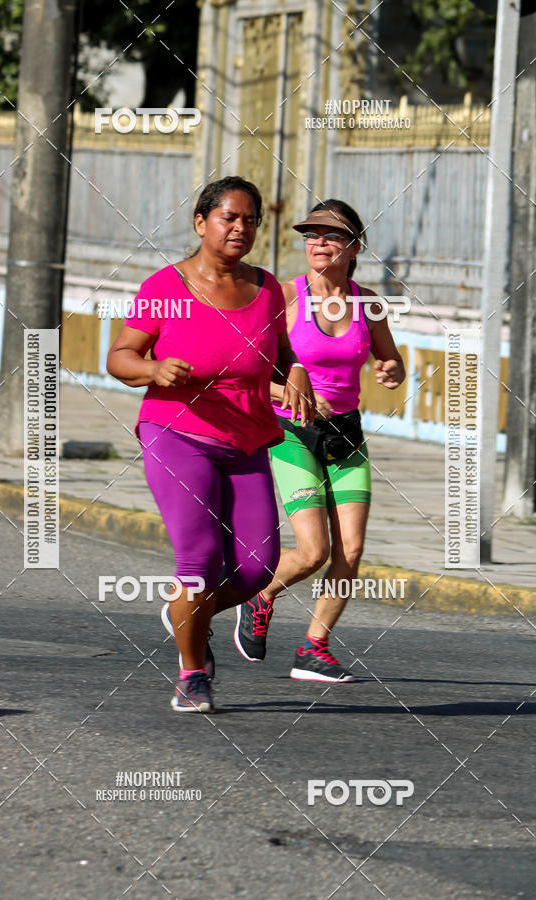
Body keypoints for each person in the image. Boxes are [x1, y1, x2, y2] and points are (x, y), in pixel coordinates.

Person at [107, 176, 315, 712]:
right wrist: (152, 366)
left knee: (257, 567)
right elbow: (120, 357)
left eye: (250, 220)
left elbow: (281, 351)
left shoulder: (268, 289)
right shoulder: (166, 288)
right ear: (201, 223)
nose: (240, 228)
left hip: (246, 439)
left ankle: (186, 614)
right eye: (229, 217)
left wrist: (295, 373)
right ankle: (192, 672)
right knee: (198, 561)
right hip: (177, 432)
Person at [234, 199, 405, 682]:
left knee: (349, 551)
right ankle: (261, 596)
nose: (319, 243)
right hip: (291, 433)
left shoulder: (367, 303)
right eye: (311, 235)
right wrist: (287, 391)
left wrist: (391, 370)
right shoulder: (283, 298)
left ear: (355, 247)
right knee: (312, 552)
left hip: (345, 435)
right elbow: (243, 374)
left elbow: (390, 361)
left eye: (331, 236)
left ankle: (314, 647)